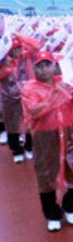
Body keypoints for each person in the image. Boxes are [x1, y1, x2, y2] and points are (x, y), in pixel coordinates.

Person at [21, 51, 73, 232]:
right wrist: (57, 92)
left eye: (47, 64)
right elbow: (35, 110)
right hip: (45, 136)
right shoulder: (29, 88)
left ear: (54, 66)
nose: (44, 69)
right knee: (46, 176)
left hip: (71, 133)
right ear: (34, 68)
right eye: (40, 65)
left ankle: (69, 206)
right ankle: (52, 214)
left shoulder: (67, 83)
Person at [1, 35, 38, 163]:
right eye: (15, 48)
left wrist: (18, 34)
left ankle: (29, 147)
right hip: (9, 99)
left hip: (27, 97)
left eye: (19, 47)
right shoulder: (3, 62)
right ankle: (16, 150)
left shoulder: (26, 57)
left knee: (30, 124)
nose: (18, 51)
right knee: (12, 126)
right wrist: (5, 67)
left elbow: (36, 46)